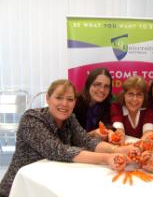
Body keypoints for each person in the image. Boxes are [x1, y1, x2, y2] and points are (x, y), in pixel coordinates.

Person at [0, 79, 130, 197]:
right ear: (48, 98)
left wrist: (116, 150)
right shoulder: (31, 119)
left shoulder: (70, 119)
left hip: (51, 184)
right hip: (21, 188)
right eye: (59, 98)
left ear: (75, 102)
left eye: (70, 99)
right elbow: (59, 150)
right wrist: (106, 158)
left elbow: (87, 141)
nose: (65, 104)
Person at [111, 76, 153, 140]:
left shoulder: (148, 109)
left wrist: (142, 145)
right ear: (124, 95)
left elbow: (148, 134)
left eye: (139, 94)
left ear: (144, 97)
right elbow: (119, 131)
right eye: (130, 94)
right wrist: (120, 138)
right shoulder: (116, 107)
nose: (135, 99)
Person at [73, 68, 113, 137]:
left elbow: (107, 125)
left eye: (106, 86)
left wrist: (111, 131)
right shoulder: (74, 104)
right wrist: (92, 134)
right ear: (88, 85)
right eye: (97, 84)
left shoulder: (107, 104)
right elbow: (71, 138)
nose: (102, 90)